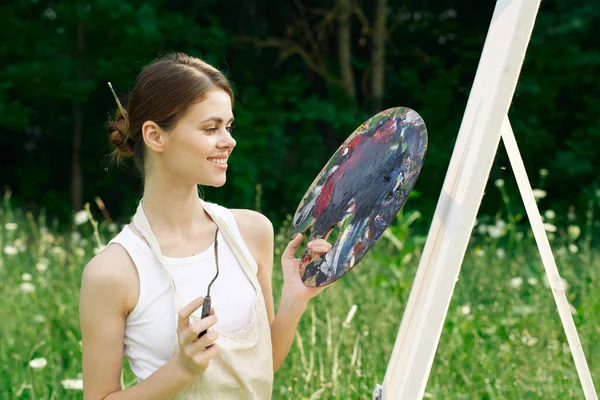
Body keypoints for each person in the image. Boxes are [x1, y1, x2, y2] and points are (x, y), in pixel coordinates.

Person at [79, 52, 332, 399]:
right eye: (211, 128)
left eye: (228, 126)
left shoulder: (252, 232)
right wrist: (181, 370)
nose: (229, 140)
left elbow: (262, 364)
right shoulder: (113, 272)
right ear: (155, 136)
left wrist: (295, 299)